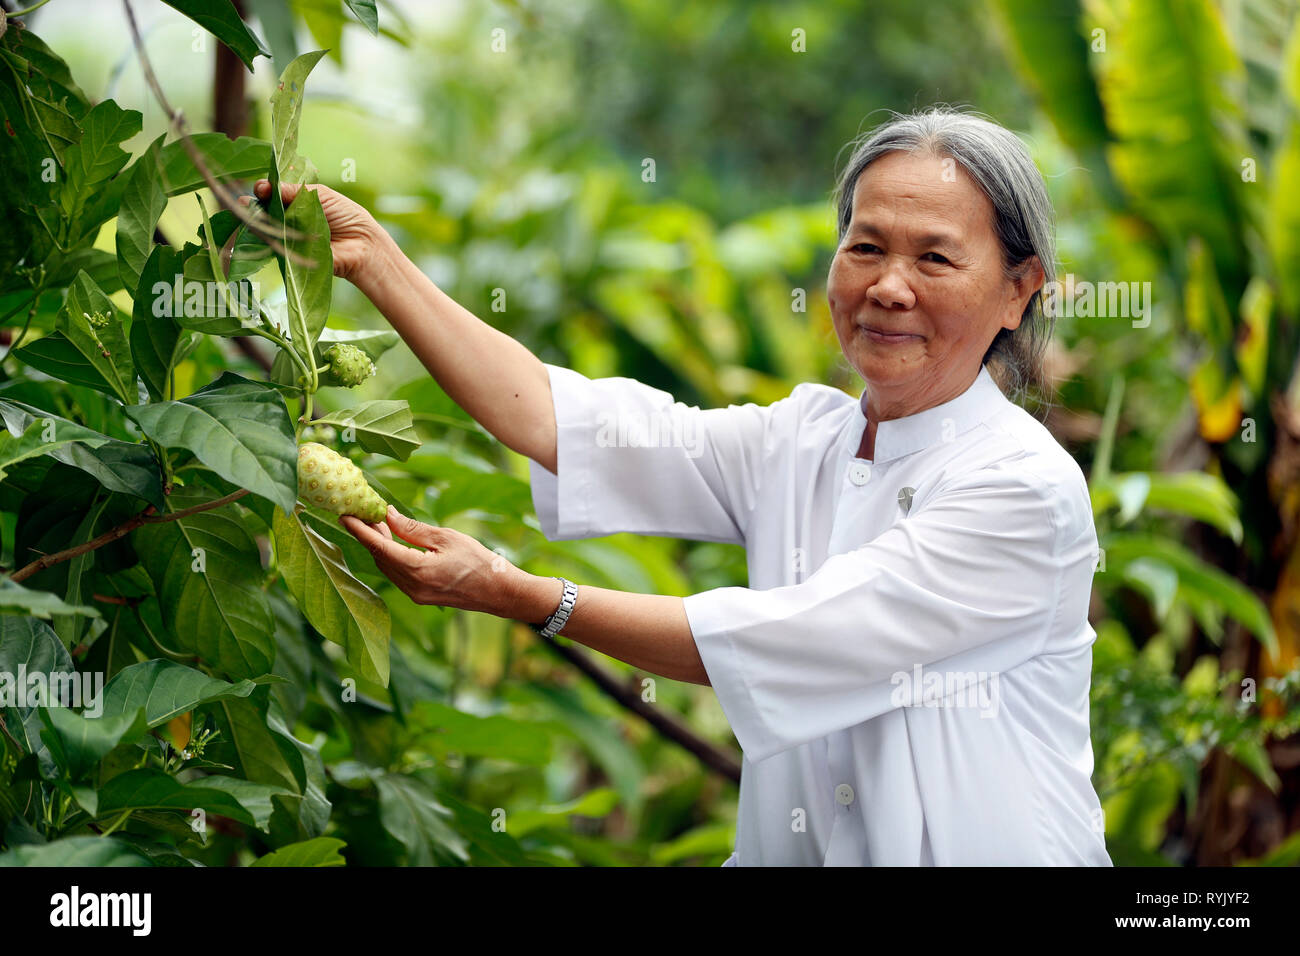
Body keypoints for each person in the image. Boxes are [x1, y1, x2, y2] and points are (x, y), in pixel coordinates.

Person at [254, 104, 1112, 866]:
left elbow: (799, 639)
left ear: (1017, 291)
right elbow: (564, 422)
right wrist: (375, 260)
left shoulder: (1021, 490)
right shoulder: (803, 438)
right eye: (866, 247)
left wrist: (524, 597)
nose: (888, 287)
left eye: (935, 258)